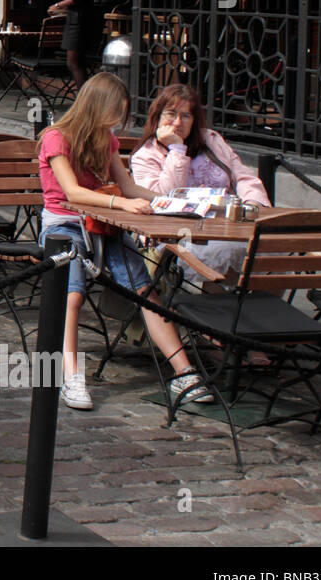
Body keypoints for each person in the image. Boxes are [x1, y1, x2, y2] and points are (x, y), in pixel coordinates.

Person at [37, 71, 210, 410]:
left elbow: (128, 186)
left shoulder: (106, 139)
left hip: (102, 224)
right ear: (97, 107)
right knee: (72, 296)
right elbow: (72, 192)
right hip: (65, 225)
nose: (116, 123)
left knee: (145, 289)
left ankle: (184, 371)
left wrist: (169, 204)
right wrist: (121, 204)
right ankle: (70, 377)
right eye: (114, 114)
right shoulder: (57, 137)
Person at [131, 83, 272, 281]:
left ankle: (249, 308)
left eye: (186, 116)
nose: (178, 122)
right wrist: (177, 150)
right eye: (171, 114)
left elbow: (243, 176)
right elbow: (163, 198)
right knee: (226, 250)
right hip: (178, 235)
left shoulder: (211, 141)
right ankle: (218, 308)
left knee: (272, 248)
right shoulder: (145, 156)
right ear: (158, 117)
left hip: (228, 226)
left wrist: (252, 206)